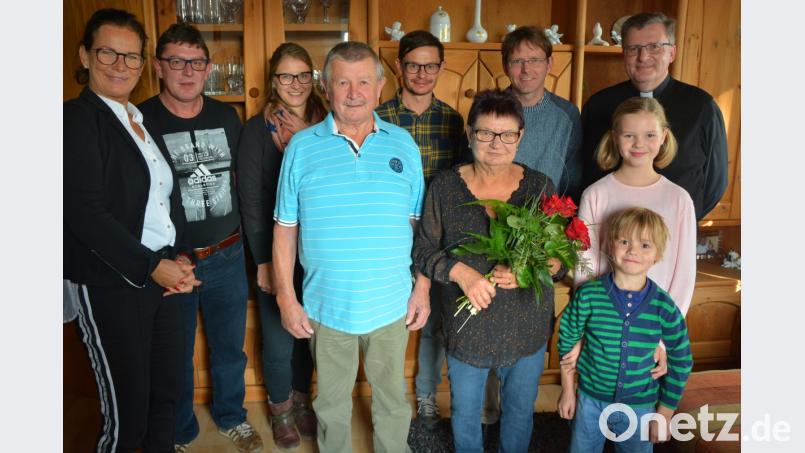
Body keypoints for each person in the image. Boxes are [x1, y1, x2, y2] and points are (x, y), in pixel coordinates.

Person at [272, 41, 428, 452]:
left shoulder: (404, 146)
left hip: (391, 304)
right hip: (326, 306)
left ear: (379, 87)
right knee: (331, 403)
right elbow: (285, 229)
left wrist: (422, 290)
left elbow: (421, 229)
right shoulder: (302, 149)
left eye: (363, 82)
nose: (354, 92)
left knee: (393, 401)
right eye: (343, 82)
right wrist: (287, 298)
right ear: (327, 87)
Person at [64, 8, 199, 452]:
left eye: (131, 57)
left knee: (167, 397)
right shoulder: (77, 119)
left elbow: (158, 205)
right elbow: (84, 213)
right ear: (85, 56)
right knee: (127, 417)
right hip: (112, 284)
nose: (121, 65)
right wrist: (151, 267)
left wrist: (178, 258)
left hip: (160, 279)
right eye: (109, 53)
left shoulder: (135, 119)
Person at [412, 89, 564, 452]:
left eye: (507, 134)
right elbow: (422, 250)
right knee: (464, 411)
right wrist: (460, 272)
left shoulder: (540, 187)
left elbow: (558, 262)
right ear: (469, 134)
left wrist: (528, 270)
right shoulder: (446, 186)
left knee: (518, 410)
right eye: (485, 133)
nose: (496, 143)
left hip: (525, 322)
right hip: (467, 326)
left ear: (520, 136)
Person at [138, 23, 260, 453]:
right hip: (173, 261)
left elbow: (246, 183)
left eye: (195, 63)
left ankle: (232, 417)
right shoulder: (141, 119)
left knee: (230, 347)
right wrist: (163, 259)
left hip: (227, 253)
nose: (186, 72)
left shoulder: (227, 116)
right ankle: (181, 431)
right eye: (176, 62)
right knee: (175, 354)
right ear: (159, 67)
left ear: (207, 68)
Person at [564, 97, 697, 377]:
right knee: (595, 401)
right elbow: (584, 266)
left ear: (664, 137)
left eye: (649, 135)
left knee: (642, 407)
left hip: (653, 330)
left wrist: (663, 339)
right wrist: (589, 326)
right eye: (629, 135)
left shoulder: (678, 199)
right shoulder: (596, 194)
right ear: (614, 138)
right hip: (604, 328)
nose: (639, 144)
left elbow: (683, 274)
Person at [375, 29, 466, 429]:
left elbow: (463, 181)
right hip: (391, 236)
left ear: (442, 68)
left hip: (440, 238)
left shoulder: (452, 119)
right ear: (399, 67)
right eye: (414, 65)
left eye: (431, 66)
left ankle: (426, 395)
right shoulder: (380, 119)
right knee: (390, 325)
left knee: (434, 325)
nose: (422, 73)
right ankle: (388, 401)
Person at [238, 42, 327, 449]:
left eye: (303, 75)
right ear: (273, 81)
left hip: (320, 251)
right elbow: (252, 200)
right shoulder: (259, 130)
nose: (295, 84)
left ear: (314, 78)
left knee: (308, 333)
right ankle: (280, 408)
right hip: (275, 250)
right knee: (277, 335)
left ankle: (303, 400)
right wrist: (262, 262)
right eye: (286, 76)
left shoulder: (328, 121)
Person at [558, 207, 694, 452]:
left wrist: (665, 412)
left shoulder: (664, 306)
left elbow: (681, 359)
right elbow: (567, 338)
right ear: (610, 246)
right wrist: (568, 390)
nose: (633, 250)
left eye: (645, 245)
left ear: (657, 254)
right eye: (624, 241)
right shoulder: (589, 295)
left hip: (639, 407)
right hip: (590, 401)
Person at [580, 12, 728, 221]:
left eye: (654, 47)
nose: (643, 57)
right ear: (624, 54)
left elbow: (715, 183)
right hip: (609, 234)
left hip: (674, 232)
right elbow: (586, 172)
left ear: (672, 53)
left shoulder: (702, 106)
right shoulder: (597, 105)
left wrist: (680, 221)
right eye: (633, 49)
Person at [502, 26, 582, 201]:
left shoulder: (567, 114)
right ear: (505, 67)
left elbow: (574, 181)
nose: (526, 69)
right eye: (517, 61)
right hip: (493, 219)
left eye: (535, 60)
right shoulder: (488, 110)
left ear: (549, 64)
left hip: (548, 221)